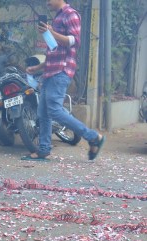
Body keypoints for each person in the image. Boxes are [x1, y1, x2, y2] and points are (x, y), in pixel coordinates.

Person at [24, 0, 105, 161]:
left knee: (54, 110)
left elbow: (74, 41)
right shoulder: (58, 17)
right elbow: (55, 50)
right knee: (44, 112)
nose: (47, 2)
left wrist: (50, 31)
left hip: (61, 71)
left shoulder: (71, 14)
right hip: (50, 71)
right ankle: (44, 149)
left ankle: (93, 136)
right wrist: (38, 67)